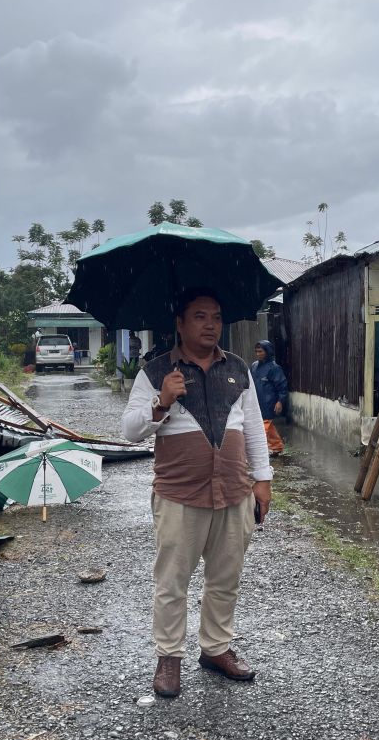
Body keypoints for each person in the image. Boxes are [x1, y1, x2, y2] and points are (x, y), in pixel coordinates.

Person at [122, 289, 272, 698]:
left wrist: (263, 479)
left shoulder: (238, 369)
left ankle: (216, 649)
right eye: (200, 316)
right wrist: (162, 401)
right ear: (180, 323)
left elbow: (254, 427)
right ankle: (169, 657)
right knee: (172, 582)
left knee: (225, 579)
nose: (210, 325)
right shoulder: (156, 372)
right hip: (179, 495)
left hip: (234, 493)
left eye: (216, 317)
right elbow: (130, 430)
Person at [251, 339, 288, 455]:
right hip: (257, 401)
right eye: (256, 351)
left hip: (269, 402)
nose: (258, 354)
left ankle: (258, 452)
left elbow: (282, 385)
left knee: (263, 428)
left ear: (267, 352)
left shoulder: (274, 368)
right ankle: (277, 446)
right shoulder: (254, 366)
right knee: (268, 426)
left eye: (260, 351)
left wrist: (280, 401)